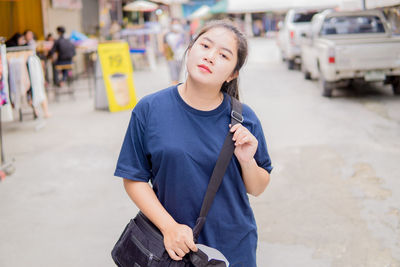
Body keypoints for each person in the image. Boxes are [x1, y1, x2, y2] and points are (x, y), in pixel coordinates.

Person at [114, 20, 273, 266]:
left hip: (234, 249)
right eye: (205, 45)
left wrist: (246, 160)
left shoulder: (244, 118)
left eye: (223, 55)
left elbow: (258, 187)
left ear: (232, 73)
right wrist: (170, 228)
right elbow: (133, 178)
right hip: (172, 249)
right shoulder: (149, 109)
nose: (210, 57)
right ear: (190, 49)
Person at [163, 18, 187, 85]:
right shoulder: (167, 34)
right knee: (173, 74)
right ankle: (174, 86)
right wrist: (165, 55)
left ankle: (176, 85)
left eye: (177, 24)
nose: (175, 25)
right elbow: (165, 45)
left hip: (181, 56)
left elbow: (186, 43)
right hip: (171, 56)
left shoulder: (182, 34)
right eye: (174, 24)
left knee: (179, 73)